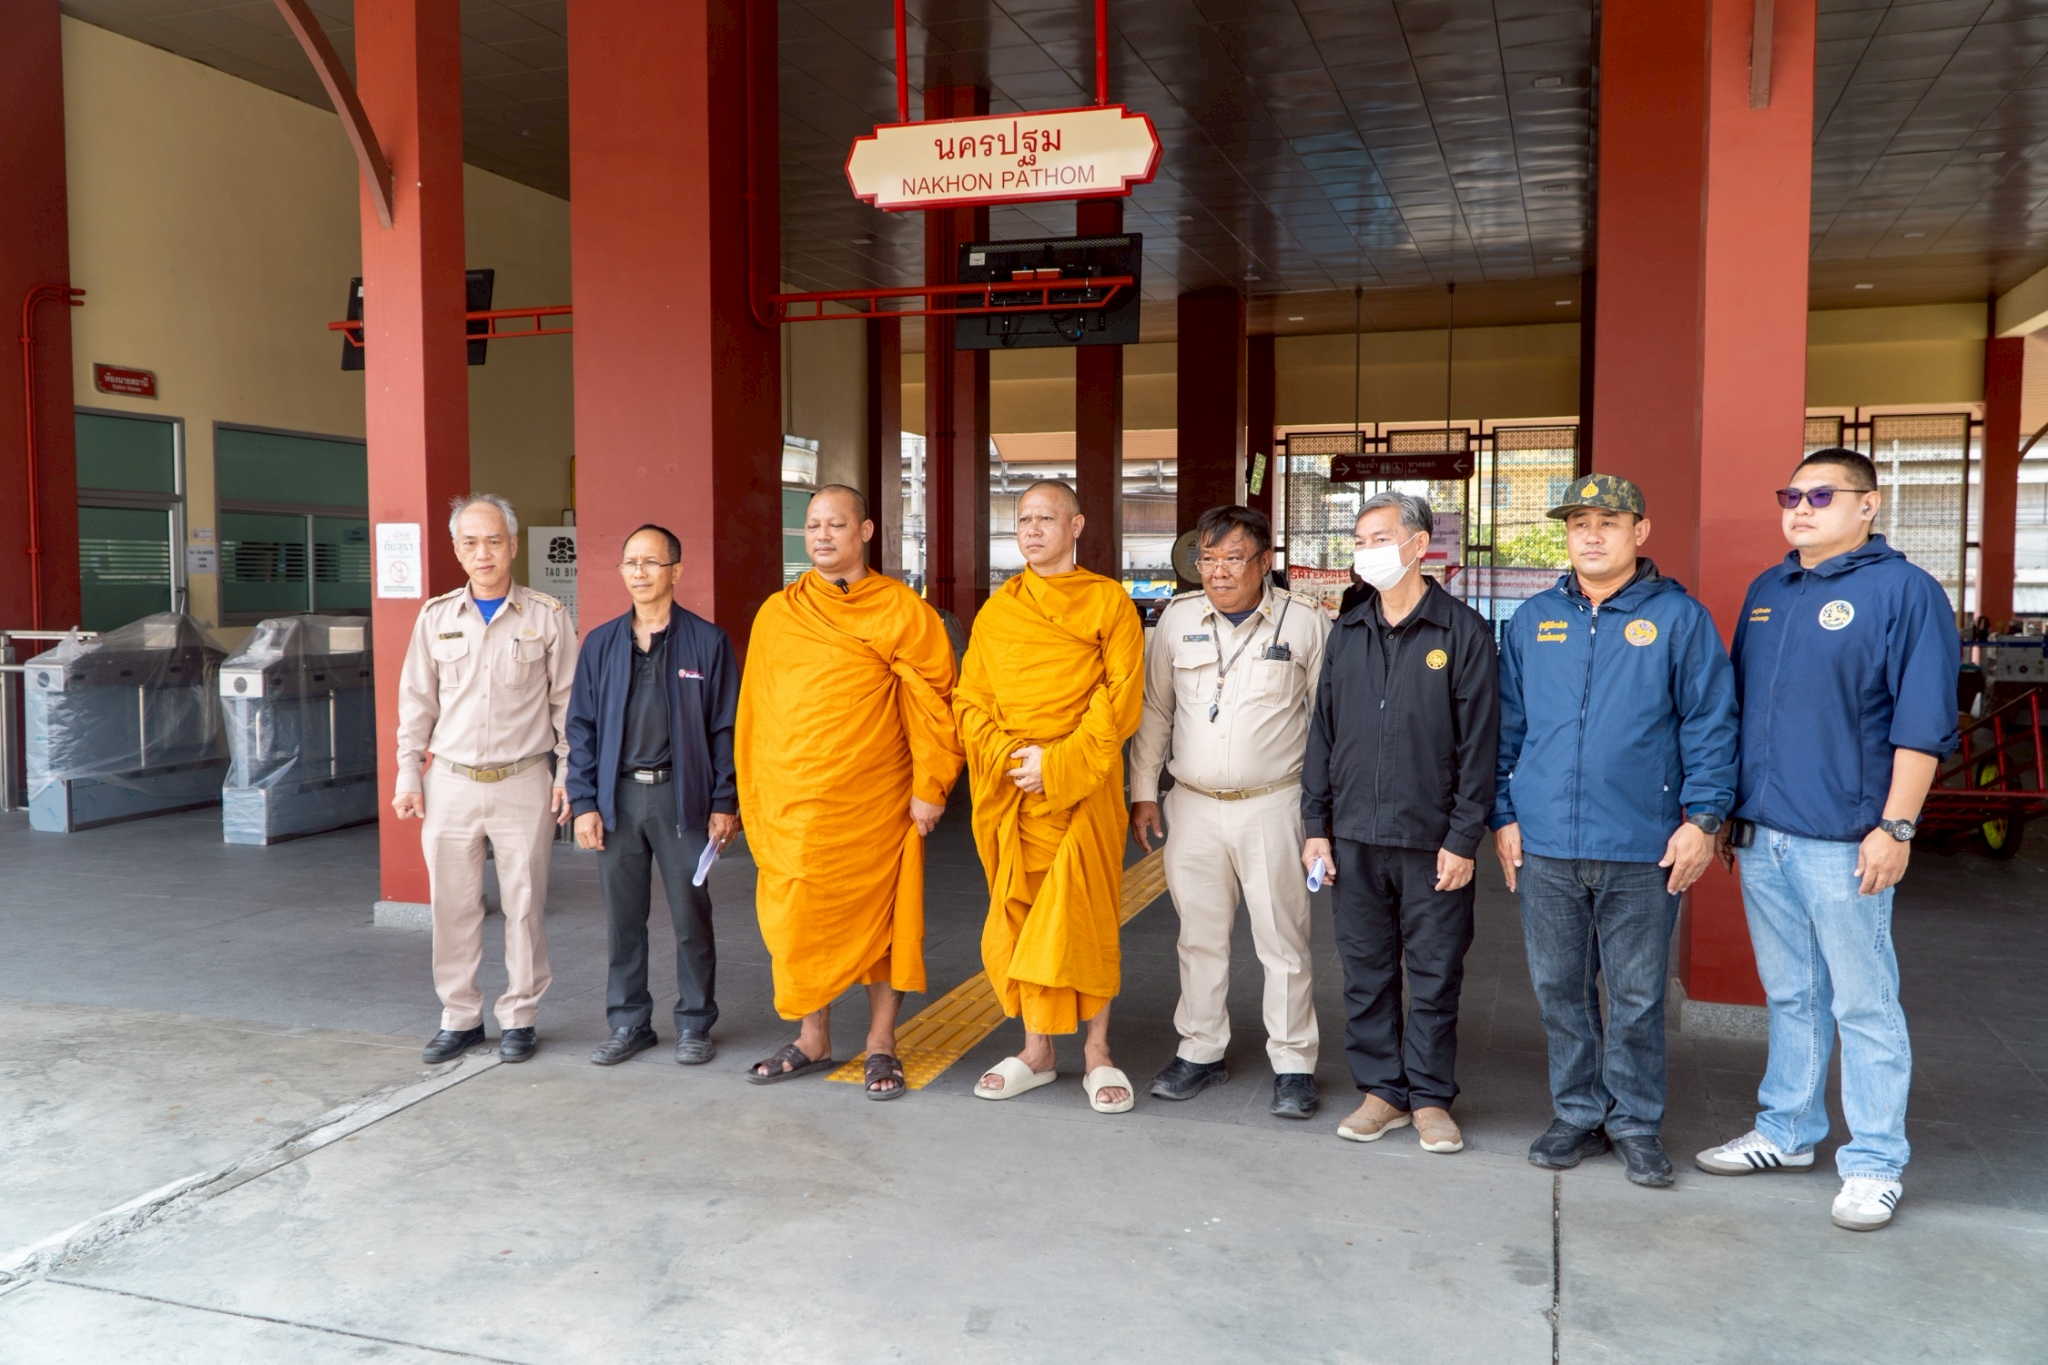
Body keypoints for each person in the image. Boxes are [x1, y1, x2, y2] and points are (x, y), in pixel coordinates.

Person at [1695, 449, 1959, 1233]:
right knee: (1790, 994)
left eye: (1821, 495)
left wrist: (1896, 827)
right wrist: (1733, 818)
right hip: (1767, 835)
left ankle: (1875, 1161)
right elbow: (1740, 712)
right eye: (1791, 495)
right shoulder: (1769, 590)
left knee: (1864, 1002)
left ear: (1868, 505)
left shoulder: (1904, 593)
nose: (1801, 508)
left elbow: (1921, 725)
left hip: (1847, 842)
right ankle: (1787, 1130)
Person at [1492, 474, 1738, 1187]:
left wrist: (1701, 820)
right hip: (1546, 846)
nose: (1591, 534)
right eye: (1578, 523)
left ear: (1641, 531)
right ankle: (1576, 1112)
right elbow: (1506, 729)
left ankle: (1633, 1120)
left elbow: (1710, 724)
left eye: (1608, 520)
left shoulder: (1678, 619)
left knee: (1635, 998)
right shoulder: (1533, 619)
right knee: (1559, 991)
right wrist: (1503, 816)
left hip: (1642, 845)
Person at [735, 485, 963, 1098]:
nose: (822, 536)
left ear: (865, 531)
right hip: (795, 797)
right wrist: (750, 792)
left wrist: (931, 784)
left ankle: (881, 1042)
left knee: (884, 919)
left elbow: (936, 703)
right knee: (799, 911)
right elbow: (757, 711)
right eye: (812, 526)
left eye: (836, 524)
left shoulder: (901, 609)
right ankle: (813, 1036)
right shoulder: (778, 614)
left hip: (877, 795)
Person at [1302, 491, 1500, 1153]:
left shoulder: (1462, 632)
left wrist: (1462, 836)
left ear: (1419, 545)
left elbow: (1480, 745)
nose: (1367, 552)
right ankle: (1382, 1090)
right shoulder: (1348, 631)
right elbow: (1322, 735)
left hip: (1429, 841)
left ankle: (1431, 1097)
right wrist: (1316, 824)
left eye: (1379, 538)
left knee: (1437, 970)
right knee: (1366, 969)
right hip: (1354, 837)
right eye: (1359, 541)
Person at [1130, 505, 1330, 1118]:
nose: (1218, 572)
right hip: (1190, 805)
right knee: (1199, 938)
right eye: (1207, 560)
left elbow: (1327, 725)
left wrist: (1321, 823)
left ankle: (1294, 1064)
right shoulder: (1177, 619)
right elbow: (1155, 710)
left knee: (1283, 941)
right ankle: (1200, 1050)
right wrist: (1142, 791)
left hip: (1274, 806)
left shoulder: (1306, 623)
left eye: (1232, 558)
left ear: (1264, 561)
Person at [957, 479, 1145, 1113]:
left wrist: (1058, 764)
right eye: (1023, 519)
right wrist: (1016, 761)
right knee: (1024, 916)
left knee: (1086, 919)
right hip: (1016, 790)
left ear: (1077, 525)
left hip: (1083, 789)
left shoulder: (1108, 602)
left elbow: (1119, 701)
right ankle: (1037, 1050)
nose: (1032, 529)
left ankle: (1098, 1052)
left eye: (1046, 517)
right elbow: (970, 700)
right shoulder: (998, 611)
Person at [393, 494, 577, 1064]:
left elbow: (569, 705)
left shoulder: (547, 616)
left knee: (524, 905)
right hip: (449, 782)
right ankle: (460, 1017)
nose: (483, 553)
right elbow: (416, 703)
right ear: (456, 550)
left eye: (494, 540)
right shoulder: (435, 618)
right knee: (452, 906)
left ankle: (520, 1015)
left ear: (513, 546)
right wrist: (408, 774)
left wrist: (569, 774)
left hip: (523, 780)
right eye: (470, 542)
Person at [564, 524, 740, 1069]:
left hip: (682, 800)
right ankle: (629, 1021)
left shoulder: (706, 642)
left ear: (676, 571)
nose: (639, 572)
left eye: (651, 562)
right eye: (630, 563)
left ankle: (694, 1022)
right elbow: (582, 728)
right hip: (617, 801)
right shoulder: (600, 643)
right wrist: (584, 801)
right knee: (623, 919)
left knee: (692, 916)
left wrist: (723, 801)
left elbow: (726, 729)